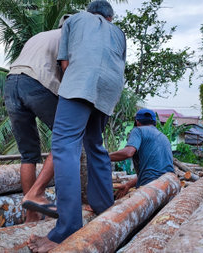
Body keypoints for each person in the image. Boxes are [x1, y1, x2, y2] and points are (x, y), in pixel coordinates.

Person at [28, 1, 126, 252]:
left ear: (91, 12)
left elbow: (65, 64)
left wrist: (72, 90)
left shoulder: (74, 20)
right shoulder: (118, 32)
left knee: (64, 148)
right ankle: (104, 207)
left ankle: (66, 229)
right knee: (95, 144)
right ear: (110, 17)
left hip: (81, 80)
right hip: (109, 88)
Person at [4, 14, 71, 222]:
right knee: (66, 137)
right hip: (37, 83)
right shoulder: (70, 37)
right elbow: (66, 68)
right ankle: (37, 192)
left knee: (28, 155)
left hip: (11, 83)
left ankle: (31, 215)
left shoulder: (41, 35)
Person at [109, 109, 175, 199]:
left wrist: (104, 157)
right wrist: (128, 185)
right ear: (154, 122)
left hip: (151, 189)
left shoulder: (138, 131)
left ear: (137, 121)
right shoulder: (164, 137)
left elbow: (128, 152)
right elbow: (153, 172)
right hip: (169, 186)